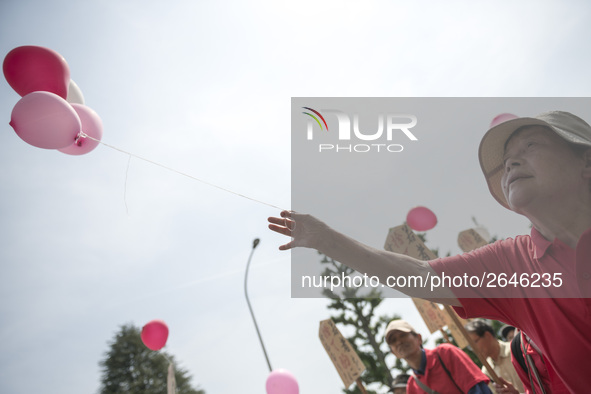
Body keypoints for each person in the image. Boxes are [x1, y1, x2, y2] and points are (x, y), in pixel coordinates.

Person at [268, 110, 591, 392]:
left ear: (585, 161)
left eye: (531, 145)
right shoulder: (512, 264)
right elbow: (422, 276)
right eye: (505, 162)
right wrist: (325, 239)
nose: (511, 164)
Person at [385, 319, 491, 394]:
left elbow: (478, 389)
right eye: (393, 341)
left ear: (419, 338)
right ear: (394, 353)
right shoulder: (412, 386)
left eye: (403, 335)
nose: (399, 342)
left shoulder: (446, 353)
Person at [464, 319, 524, 393]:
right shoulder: (486, 372)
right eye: (470, 346)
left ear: (487, 335)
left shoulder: (517, 350)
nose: (473, 349)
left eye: (475, 342)